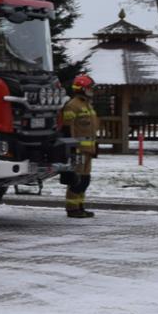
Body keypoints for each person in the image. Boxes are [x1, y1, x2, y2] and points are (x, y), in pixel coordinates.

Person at [58, 74, 99, 218]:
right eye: (89, 88)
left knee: (85, 180)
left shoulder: (87, 104)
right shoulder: (72, 105)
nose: (91, 90)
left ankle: (80, 206)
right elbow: (69, 129)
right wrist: (72, 148)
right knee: (76, 179)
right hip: (79, 150)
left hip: (88, 149)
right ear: (81, 89)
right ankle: (72, 208)